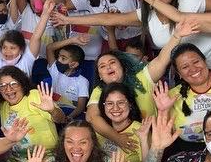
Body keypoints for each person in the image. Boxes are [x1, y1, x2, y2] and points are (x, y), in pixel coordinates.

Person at [52, 0, 211, 74]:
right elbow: (107, 19)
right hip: (187, 71)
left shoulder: (191, 1)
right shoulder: (146, 15)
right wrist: (68, 19)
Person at [85, 19, 198, 151]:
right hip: (115, 145)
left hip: (155, 140)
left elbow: (162, 60)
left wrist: (177, 36)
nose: (108, 67)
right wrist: (118, 138)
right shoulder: (99, 90)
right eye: (102, 66)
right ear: (99, 75)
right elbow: (92, 117)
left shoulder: (143, 77)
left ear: (123, 66)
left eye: (112, 63)